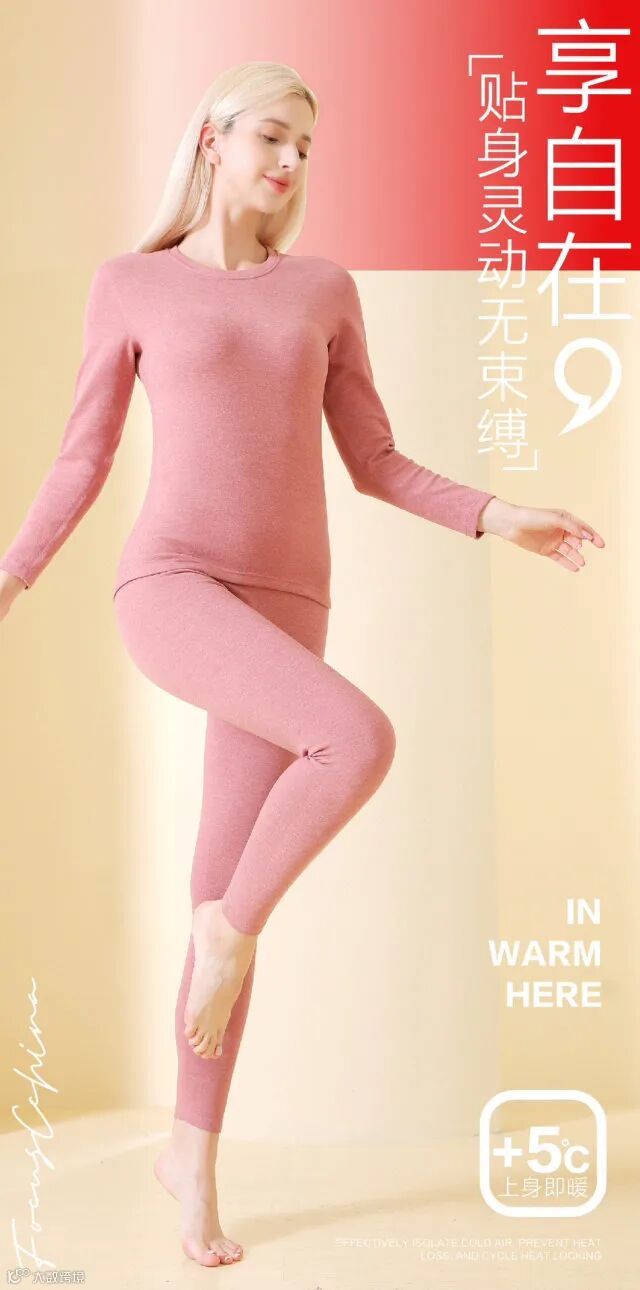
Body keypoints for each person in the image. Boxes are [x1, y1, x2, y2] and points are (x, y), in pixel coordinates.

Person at [0, 60, 605, 1269]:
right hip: (173, 582)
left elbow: (374, 461)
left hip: (292, 603)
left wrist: (500, 516)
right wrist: (12, 574)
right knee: (351, 745)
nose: (289, 161)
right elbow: (81, 458)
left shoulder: (324, 292)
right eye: (272, 136)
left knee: (224, 877)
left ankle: (190, 1165)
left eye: (305, 147)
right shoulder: (132, 284)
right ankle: (226, 933)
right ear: (213, 140)